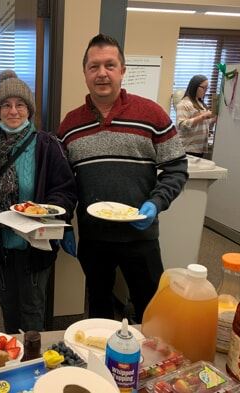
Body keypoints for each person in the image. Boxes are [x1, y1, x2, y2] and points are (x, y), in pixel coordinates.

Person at [57, 34, 188, 323]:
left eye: (110, 65)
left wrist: (156, 202)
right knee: (100, 311)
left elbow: (177, 167)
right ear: (85, 73)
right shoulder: (69, 125)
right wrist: (64, 222)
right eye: (94, 67)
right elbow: (63, 184)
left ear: (122, 70)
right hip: (94, 238)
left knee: (151, 312)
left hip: (140, 236)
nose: (102, 73)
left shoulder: (151, 114)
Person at [0, 70, 77, 333]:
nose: (13, 111)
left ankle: (35, 364)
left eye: (20, 104)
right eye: (6, 105)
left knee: (33, 309)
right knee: (8, 308)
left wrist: (45, 210)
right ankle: (12, 360)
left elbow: (66, 190)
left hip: (36, 243)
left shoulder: (47, 144)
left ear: (29, 109)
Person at [176, 75, 217, 157]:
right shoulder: (184, 104)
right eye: (203, 88)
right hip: (187, 149)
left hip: (199, 149)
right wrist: (203, 116)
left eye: (207, 88)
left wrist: (213, 118)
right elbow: (182, 125)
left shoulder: (201, 104)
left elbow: (203, 124)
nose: (205, 91)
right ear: (194, 87)